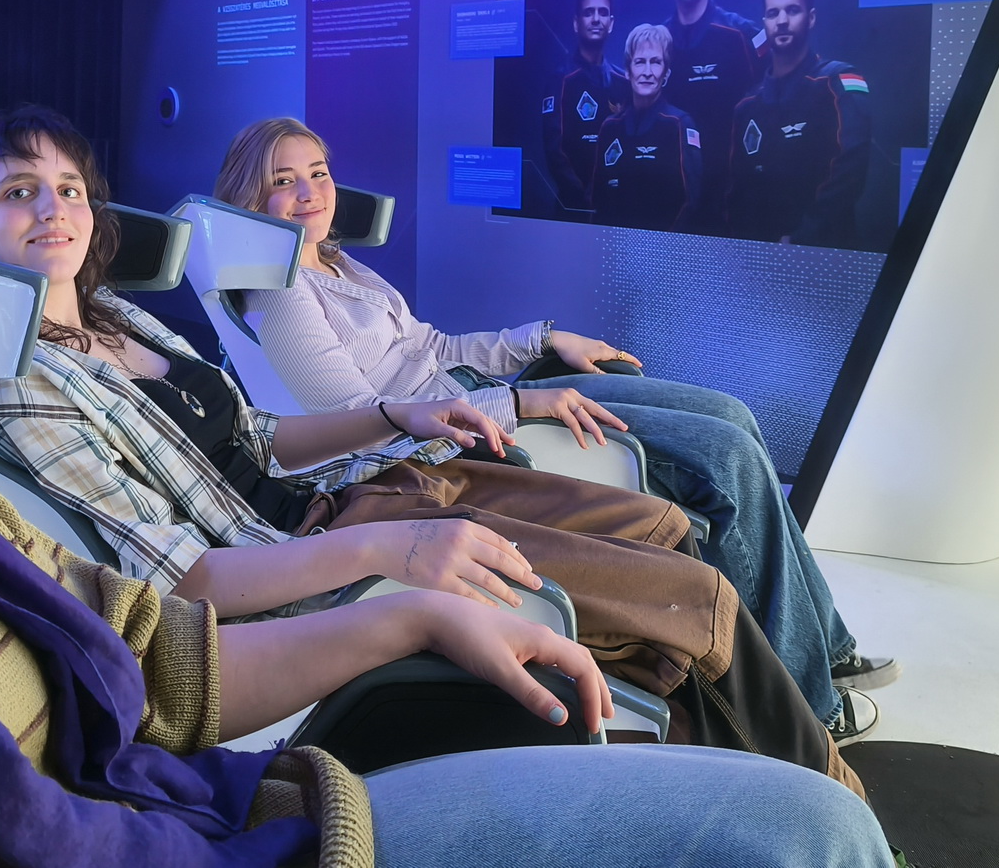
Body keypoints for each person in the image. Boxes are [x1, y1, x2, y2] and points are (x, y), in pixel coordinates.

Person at [0, 0, 893, 868]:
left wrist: (409, 608)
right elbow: (192, 579)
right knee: (797, 827)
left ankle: (802, 725)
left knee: (747, 699)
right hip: (202, 796)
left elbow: (135, 641)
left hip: (197, 789)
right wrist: (397, 552)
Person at [0, 106, 865, 780]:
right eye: (19, 192)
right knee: (694, 594)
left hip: (371, 486)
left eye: (70, 188)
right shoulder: (14, 378)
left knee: (668, 539)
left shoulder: (123, 319)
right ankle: (833, 803)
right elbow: (186, 577)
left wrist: (397, 418)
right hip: (325, 548)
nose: (55, 210)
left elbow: (262, 435)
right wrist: (391, 544)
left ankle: (763, 776)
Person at [221, 116, 899, 737]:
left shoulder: (336, 263)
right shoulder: (282, 294)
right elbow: (366, 423)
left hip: (486, 399)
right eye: (283, 181)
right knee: (726, 458)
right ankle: (815, 705)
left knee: (733, 415)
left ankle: (824, 647)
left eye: (318, 173)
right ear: (251, 197)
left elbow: (433, 348)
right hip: (461, 441)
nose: (308, 193)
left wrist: (544, 338)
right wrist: (520, 406)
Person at [726, 0, 873, 248]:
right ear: (765, 22)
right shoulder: (747, 106)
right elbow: (737, 190)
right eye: (773, 13)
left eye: (792, 10)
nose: (782, 21)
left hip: (825, 254)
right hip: (758, 258)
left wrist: (801, 239)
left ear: (811, 18)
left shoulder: (838, 82)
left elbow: (850, 171)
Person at [660, 0, 763, 228]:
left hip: (732, 204)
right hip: (673, 204)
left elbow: (790, 69)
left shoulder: (742, 33)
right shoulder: (658, 42)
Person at [590, 24, 704, 234]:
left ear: (666, 73)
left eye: (656, 62)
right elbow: (598, 198)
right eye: (640, 62)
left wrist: (658, 247)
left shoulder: (679, 125)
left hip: (662, 247)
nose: (647, 72)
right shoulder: (610, 127)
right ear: (627, 71)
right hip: (613, 246)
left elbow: (691, 201)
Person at [540, 0, 630, 210]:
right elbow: (555, 151)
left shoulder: (623, 82)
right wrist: (583, 199)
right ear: (576, 23)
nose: (596, 19)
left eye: (603, 12)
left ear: (611, 23)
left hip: (618, 206)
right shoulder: (561, 80)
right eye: (588, 13)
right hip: (574, 208)